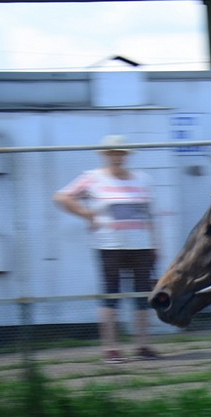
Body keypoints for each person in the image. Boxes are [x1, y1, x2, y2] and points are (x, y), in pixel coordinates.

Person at [53, 135, 159, 364]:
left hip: (140, 245)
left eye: (120, 152)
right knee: (111, 295)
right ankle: (110, 349)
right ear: (105, 155)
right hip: (109, 245)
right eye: (112, 152)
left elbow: (150, 215)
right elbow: (62, 197)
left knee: (143, 296)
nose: (116, 157)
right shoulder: (92, 178)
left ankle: (143, 345)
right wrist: (86, 214)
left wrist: (155, 244)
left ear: (127, 155)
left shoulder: (143, 180)